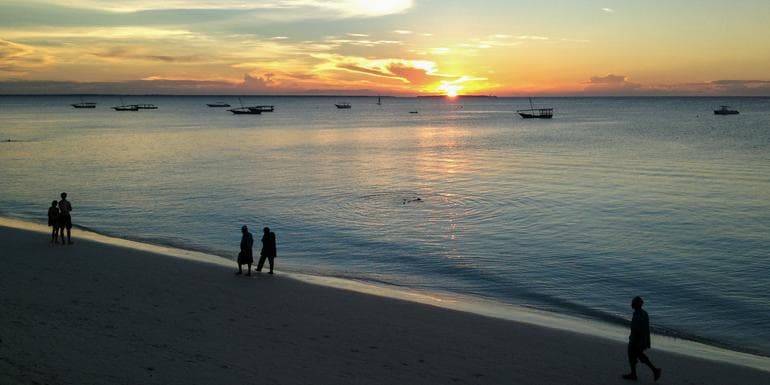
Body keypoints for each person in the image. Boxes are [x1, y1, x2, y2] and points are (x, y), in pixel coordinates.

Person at [622, 296, 662, 381]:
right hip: (642, 340)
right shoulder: (643, 313)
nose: (631, 304)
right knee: (639, 355)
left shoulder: (638, 315)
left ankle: (637, 374)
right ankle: (654, 370)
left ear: (635, 305)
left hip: (637, 340)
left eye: (633, 303)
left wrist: (635, 342)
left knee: (633, 355)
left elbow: (638, 330)